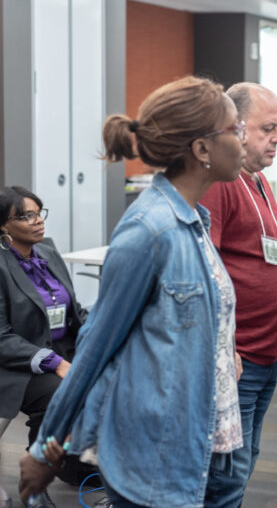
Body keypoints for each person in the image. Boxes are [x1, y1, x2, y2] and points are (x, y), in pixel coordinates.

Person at [18, 75, 247, 507]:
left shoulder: (196, 223)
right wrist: (46, 446)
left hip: (215, 443)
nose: (244, 140)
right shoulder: (149, 230)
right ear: (201, 149)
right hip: (162, 456)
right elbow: (94, 348)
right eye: (235, 129)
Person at [199, 82, 277, 506]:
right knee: (224, 474)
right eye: (268, 127)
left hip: (264, 353)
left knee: (242, 462)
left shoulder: (256, 179)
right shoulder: (218, 184)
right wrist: (225, 346)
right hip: (238, 357)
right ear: (235, 129)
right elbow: (206, 271)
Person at [0, 186, 94, 507]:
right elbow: (2, 336)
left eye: (39, 213)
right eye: (27, 216)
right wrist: (54, 361)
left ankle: (81, 463)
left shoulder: (49, 253)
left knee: (121, 376)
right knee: (59, 392)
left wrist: (104, 339)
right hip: (17, 364)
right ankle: (35, 481)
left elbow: (74, 312)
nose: (38, 221)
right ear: (3, 225)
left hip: (63, 352)